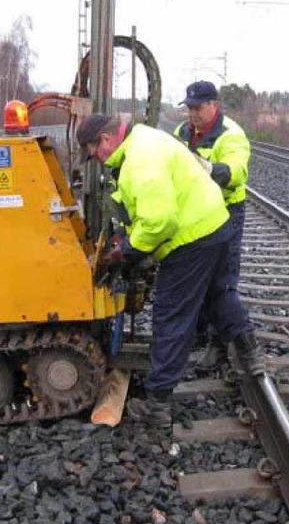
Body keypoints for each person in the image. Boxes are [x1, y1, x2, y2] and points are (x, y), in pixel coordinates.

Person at [76, 113, 265, 427]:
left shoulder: (139, 160)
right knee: (217, 296)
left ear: (106, 139)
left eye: (93, 151)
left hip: (190, 238)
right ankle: (249, 351)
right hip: (215, 224)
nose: (95, 158)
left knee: (172, 315)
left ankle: (158, 404)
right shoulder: (144, 139)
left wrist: (125, 251)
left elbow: (160, 221)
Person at [173, 80, 251, 371]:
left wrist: (206, 168)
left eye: (196, 108)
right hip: (194, 215)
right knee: (196, 276)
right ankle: (201, 333)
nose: (191, 114)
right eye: (188, 108)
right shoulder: (181, 133)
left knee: (223, 281)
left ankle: (225, 344)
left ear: (213, 105)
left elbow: (236, 172)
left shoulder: (231, 135)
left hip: (226, 211)